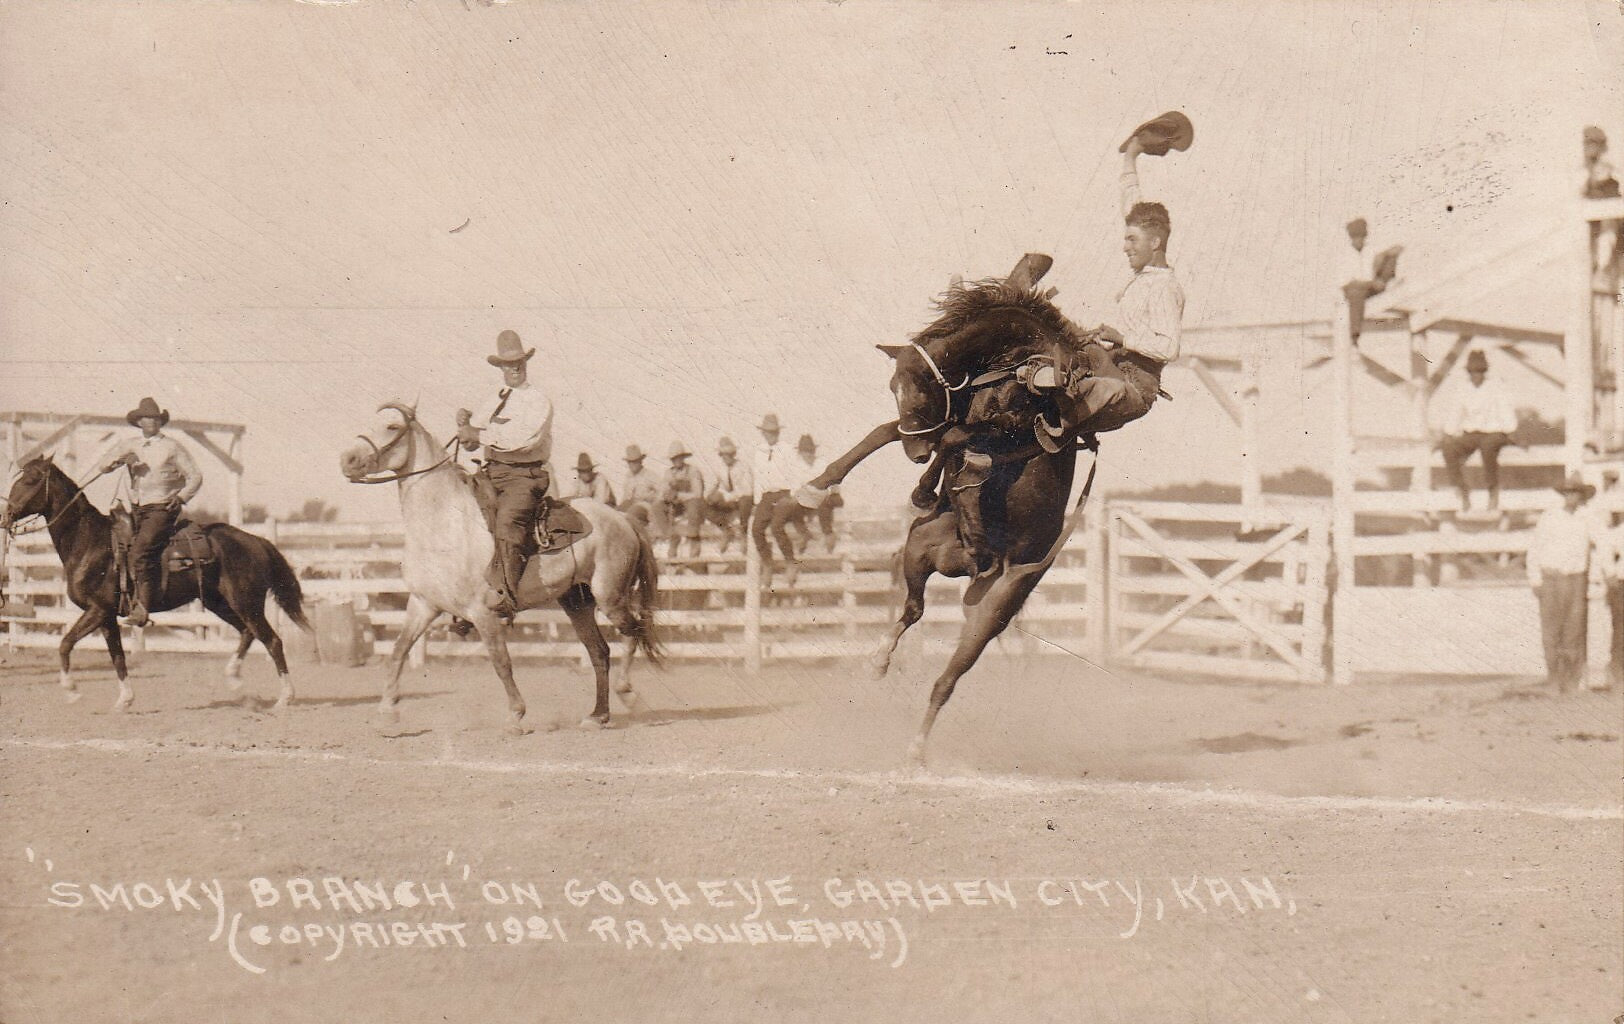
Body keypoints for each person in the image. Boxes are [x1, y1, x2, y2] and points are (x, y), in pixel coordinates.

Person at [455, 329, 556, 621]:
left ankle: (507, 595)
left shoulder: (538, 400)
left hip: (523, 476)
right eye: (507, 363)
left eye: (518, 362)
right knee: (464, 516)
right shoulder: (497, 397)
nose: (513, 367)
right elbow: (476, 433)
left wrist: (477, 433)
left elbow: (524, 438)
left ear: (525, 364)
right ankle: (463, 600)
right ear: (500, 367)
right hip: (492, 472)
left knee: (508, 520)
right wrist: (466, 424)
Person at [95, 396, 203, 626]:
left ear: (160, 422)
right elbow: (103, 466)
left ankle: (142, 609)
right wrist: (121, 459)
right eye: (146, 418)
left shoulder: (172, 446)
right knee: (116, 548)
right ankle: (121, 598)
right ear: (139, 422)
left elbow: (195, 476)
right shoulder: (130, 445)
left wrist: (182, 497)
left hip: (162, 507)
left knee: (140, 552)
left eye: (155, 418)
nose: (151, 422)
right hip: (136, 509)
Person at [1527, 473, 1599, 693]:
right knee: (1551, 629)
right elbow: (1535, 547)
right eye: (1568, 492)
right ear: (1563, 495)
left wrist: (1598, 575)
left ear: (1581, 496)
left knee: (1573, 629)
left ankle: (1572, 680)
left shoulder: (1588, 518)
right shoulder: (1550, 517)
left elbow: (1601, 544)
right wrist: (1535, 578)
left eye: (1575, 493)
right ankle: (1554, 679)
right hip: (1551, 579)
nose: (1571, 497)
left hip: (1576, 579)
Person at [1437, 349, 1520, 512]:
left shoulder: (1495, 387)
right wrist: (1448, 432)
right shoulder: (1463, 389)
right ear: (1468, 373)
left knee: (1488, 448)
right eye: (1472, 372)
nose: (1476, 375)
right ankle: (1462, 489)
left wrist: (1511, 430)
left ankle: (1492, 490)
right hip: (1472, 434)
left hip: (1494, 432)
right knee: (1448, 448)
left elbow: (1505, 409)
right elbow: (1456, 412)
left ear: (1484, 372)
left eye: (1480, 372)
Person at [750, 413, 799, 586]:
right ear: (763, 433)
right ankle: (767, 563)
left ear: (778, 432)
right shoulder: (759, 451)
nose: (770, 435)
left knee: (777, 526)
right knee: (756, 529)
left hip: (784, 494)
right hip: (767, 495)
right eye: (767, 432)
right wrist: (757, 502)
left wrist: (793, 495)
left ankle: (790, 561)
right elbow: (758, 477)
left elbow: (795, 473)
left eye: (773, 432)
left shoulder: (787, 449)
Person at [1339, 217, 1403, 344]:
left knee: (1390, 257)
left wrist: (1384, 255)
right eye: (1356, 238)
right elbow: (1347, 283)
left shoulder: (1370, 249)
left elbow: (1396, 248)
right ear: (1351, 238)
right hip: (1354, 291)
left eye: (1362, 237)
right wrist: (1372, 283)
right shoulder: (1345, 254)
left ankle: (1389, 285)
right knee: (1355, 293)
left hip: (1371, 287)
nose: (1360, 241)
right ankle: (1355, 336)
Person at [704, 436, 753, 553]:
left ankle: (743, 533)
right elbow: (711, 486)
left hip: (741, 501)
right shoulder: (719, 468)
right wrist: (709, 496)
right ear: (720, 455)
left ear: (734, 454)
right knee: (704, 504)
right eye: (724, 454)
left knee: (746, 499)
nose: (727, 457)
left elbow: (747, 490)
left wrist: (729, 496)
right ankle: (726, 529)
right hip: (727, 501)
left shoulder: (743, 467)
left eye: (729, 454)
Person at [662, 440, 706, 559]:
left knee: (694, 507)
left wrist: (679, 495)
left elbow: (698, 493)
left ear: (683, 457)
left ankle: (694, 546)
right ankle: (671, 538)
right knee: (659, 507)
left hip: (692, 502)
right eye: (673, 458)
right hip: (676, 505)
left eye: (678, 457)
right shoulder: (669, 473)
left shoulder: (693, 471)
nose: (676, 461)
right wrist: (669, 495)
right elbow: (665, 490)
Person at [618, 444, 664, 538]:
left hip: (644, 505)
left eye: (635, 462)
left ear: (640, 461)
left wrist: (649, 497)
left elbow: (662, 491)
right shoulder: (628, 476)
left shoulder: (649, 475)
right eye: (630, 462)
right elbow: (625, 495)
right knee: (616, 515)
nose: (632, 465)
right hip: (629, 503)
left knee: (631, 514)